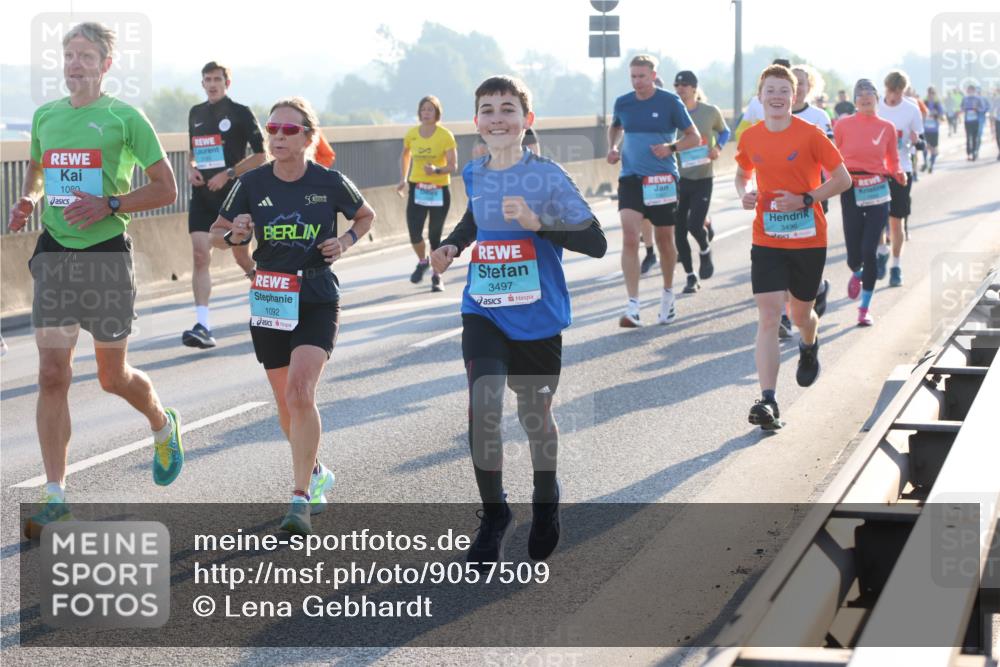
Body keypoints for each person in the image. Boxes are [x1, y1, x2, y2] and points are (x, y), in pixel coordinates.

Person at [8, 22, 182, 538]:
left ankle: (161, 423)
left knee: (112, 377)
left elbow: (165, 188)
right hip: (55, 253)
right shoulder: (46, 116)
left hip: (106, 254)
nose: (75, 64)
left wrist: (110, 203)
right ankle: (56, 496)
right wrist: (29, 200)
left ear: (106, 65)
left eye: (86, 55)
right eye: (68, 55)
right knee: (51, 374)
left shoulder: (125, 118)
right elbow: (39, 171)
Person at [430, 75, 606, 568]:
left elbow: (596, 241)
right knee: (483, 406)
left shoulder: (548, 176)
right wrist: (452, 245)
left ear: (528, 121)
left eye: (508, 109)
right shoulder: (474, 172)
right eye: (488, 109)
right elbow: (476, 221)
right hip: (483, 309)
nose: (498, 118)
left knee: (534, 416)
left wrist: (538, 225)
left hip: (539, 315)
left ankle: (546, 498)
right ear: (476, 123)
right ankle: (494, 514)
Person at [211, 97, 376, 535]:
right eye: (273, 129)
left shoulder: (329, 180)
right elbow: (216, 233)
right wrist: (235, 236)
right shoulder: (251, 182)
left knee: (302, 391)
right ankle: (317, 469)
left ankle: (300, 496)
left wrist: (345, 242)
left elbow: (365, 214)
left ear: (308, 136)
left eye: (289, 130)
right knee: (286, 401)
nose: (278, 137)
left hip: (317, 292)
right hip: (270, 294)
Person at [734, 64, 850, 430]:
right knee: (769, 316)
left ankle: (809, 342)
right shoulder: (751, 137)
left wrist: (807, 198)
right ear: (760, 96)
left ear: (795, 95)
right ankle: (768, 400)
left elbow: (843, 179)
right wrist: (745, 193)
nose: (778, 96)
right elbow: (741, 173)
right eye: (771, 90)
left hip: (807, 239)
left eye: (785, 90)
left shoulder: (811, 134)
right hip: (766, 238)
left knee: (801, 316)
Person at [607, 54, 700, 327]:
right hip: (631, 179)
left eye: (642, 76)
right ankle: (633, 306)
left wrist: (670, 148)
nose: (637, 81)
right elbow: (615, 127)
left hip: (662, 180)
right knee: (629, 236)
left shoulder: (669, 101)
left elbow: (693, 137)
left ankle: (668, 296)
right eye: (633, 76)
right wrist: (612, 147)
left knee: (664, 239)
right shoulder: (623, 102)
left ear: (653, 74)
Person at [183, 61, 266, 349]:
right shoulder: (196, 113)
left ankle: (265, 292)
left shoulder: (240, 113)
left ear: (226, 83)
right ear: (202, 83)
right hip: (203, 197)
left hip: (234, 197)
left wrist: (228, 173)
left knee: (242, 257)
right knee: (199, 255)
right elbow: (191, 152)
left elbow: (261, 155)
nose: (212, 84)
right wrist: (190, 168)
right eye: (207, 79)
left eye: (217, 79)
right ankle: (202, 324)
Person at [834, 79, 904, 327]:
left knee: (869, 250)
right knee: (854, 252)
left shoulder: (887, 127)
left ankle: (864, 308)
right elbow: (832, 157)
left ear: (876, 98)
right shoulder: (842, 125)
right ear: (854, 101)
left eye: (869, 93)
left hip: (877, 188)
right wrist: (828, 177)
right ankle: (856, 272)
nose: (864, 97)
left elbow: (893, 160)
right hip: (851, 188)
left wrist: (898, 172)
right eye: (859, 93)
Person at [672, 70, 728, 293]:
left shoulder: (709, 112)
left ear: (694, 88)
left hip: (703, 177)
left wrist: (717, 147)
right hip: (679, 178)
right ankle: (690, 276)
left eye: (684, 85)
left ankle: (705, 251)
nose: (680, 88)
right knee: (679, 230)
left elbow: (724, 132)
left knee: (694, 224)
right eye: (677, 85)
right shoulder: (673, 113)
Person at [396, 95, 457, 292]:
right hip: (417, 188)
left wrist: (437, 170)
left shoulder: (445, 135)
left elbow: (453, 166)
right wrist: (403, 179)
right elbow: (405, 156)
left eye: (430, 109)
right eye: (423, 109)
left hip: (439, 190)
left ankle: (437, 275)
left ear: (437, 113)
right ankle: (423, 261)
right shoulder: (412, 134)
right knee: (414, 233)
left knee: (435, 235)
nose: (426, 113)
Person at [877, 71, 923, 287]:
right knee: (876, 219)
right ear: (885, 88)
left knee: (897, 221)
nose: (893, 96)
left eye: (897, 92)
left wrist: (916, 141)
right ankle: (881, 250)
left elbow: (918, 139)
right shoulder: (876, 105)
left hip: (901, 169)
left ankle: (896, 266)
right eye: (890, 91)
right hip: (875, 169)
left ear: (903, 91)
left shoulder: (911, 109)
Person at [922, 87, 944, 173]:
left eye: (933, 93)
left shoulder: (937, 103)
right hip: (925, 129)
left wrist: (936, 115)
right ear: (927, 93)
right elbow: (919, 113)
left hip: (934, 130)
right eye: (930, 92)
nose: (931, 94)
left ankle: (931, 164)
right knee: (925, 147)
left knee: (934, 149)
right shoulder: (924, 102)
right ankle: (926, 162)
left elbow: (942, 116)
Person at [960, 84, 985, 161]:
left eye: (971, 90)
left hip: (975, 120)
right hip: (967, 121)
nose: (970, 91)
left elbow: (982, 108)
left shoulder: (978, 99)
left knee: (975, 137)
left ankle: (974, 152)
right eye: (968, 90)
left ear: (974, 91)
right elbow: (961, 107)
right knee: (968, 137)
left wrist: (976, 109)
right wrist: (965, 109)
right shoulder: (965, 98)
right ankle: (969, 153)